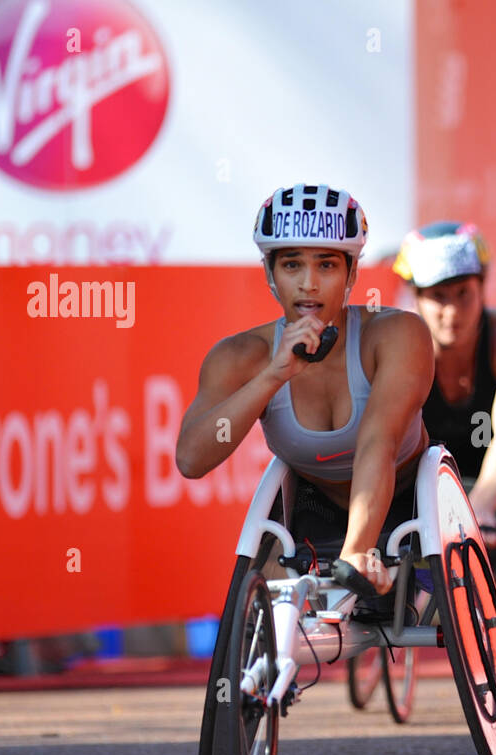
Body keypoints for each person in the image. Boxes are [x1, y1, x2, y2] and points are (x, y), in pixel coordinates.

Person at [176, 183, 433, 595]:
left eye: (327, 266)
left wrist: (356, 553)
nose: (309, 284)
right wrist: (273, 375)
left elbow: (377, 444)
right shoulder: (241, 354)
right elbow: (190, 459)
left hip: (409, 503)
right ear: (269, 273)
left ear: (352, 272)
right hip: (313, 508)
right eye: (292, 265)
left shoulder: (398, 333)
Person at [393, 221, 496, 560]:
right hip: (427, 480)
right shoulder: (398, 347)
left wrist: (480, 506)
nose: (451, 312)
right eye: (438, 296)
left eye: (463, 293)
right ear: (416, 297)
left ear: (482, 286)